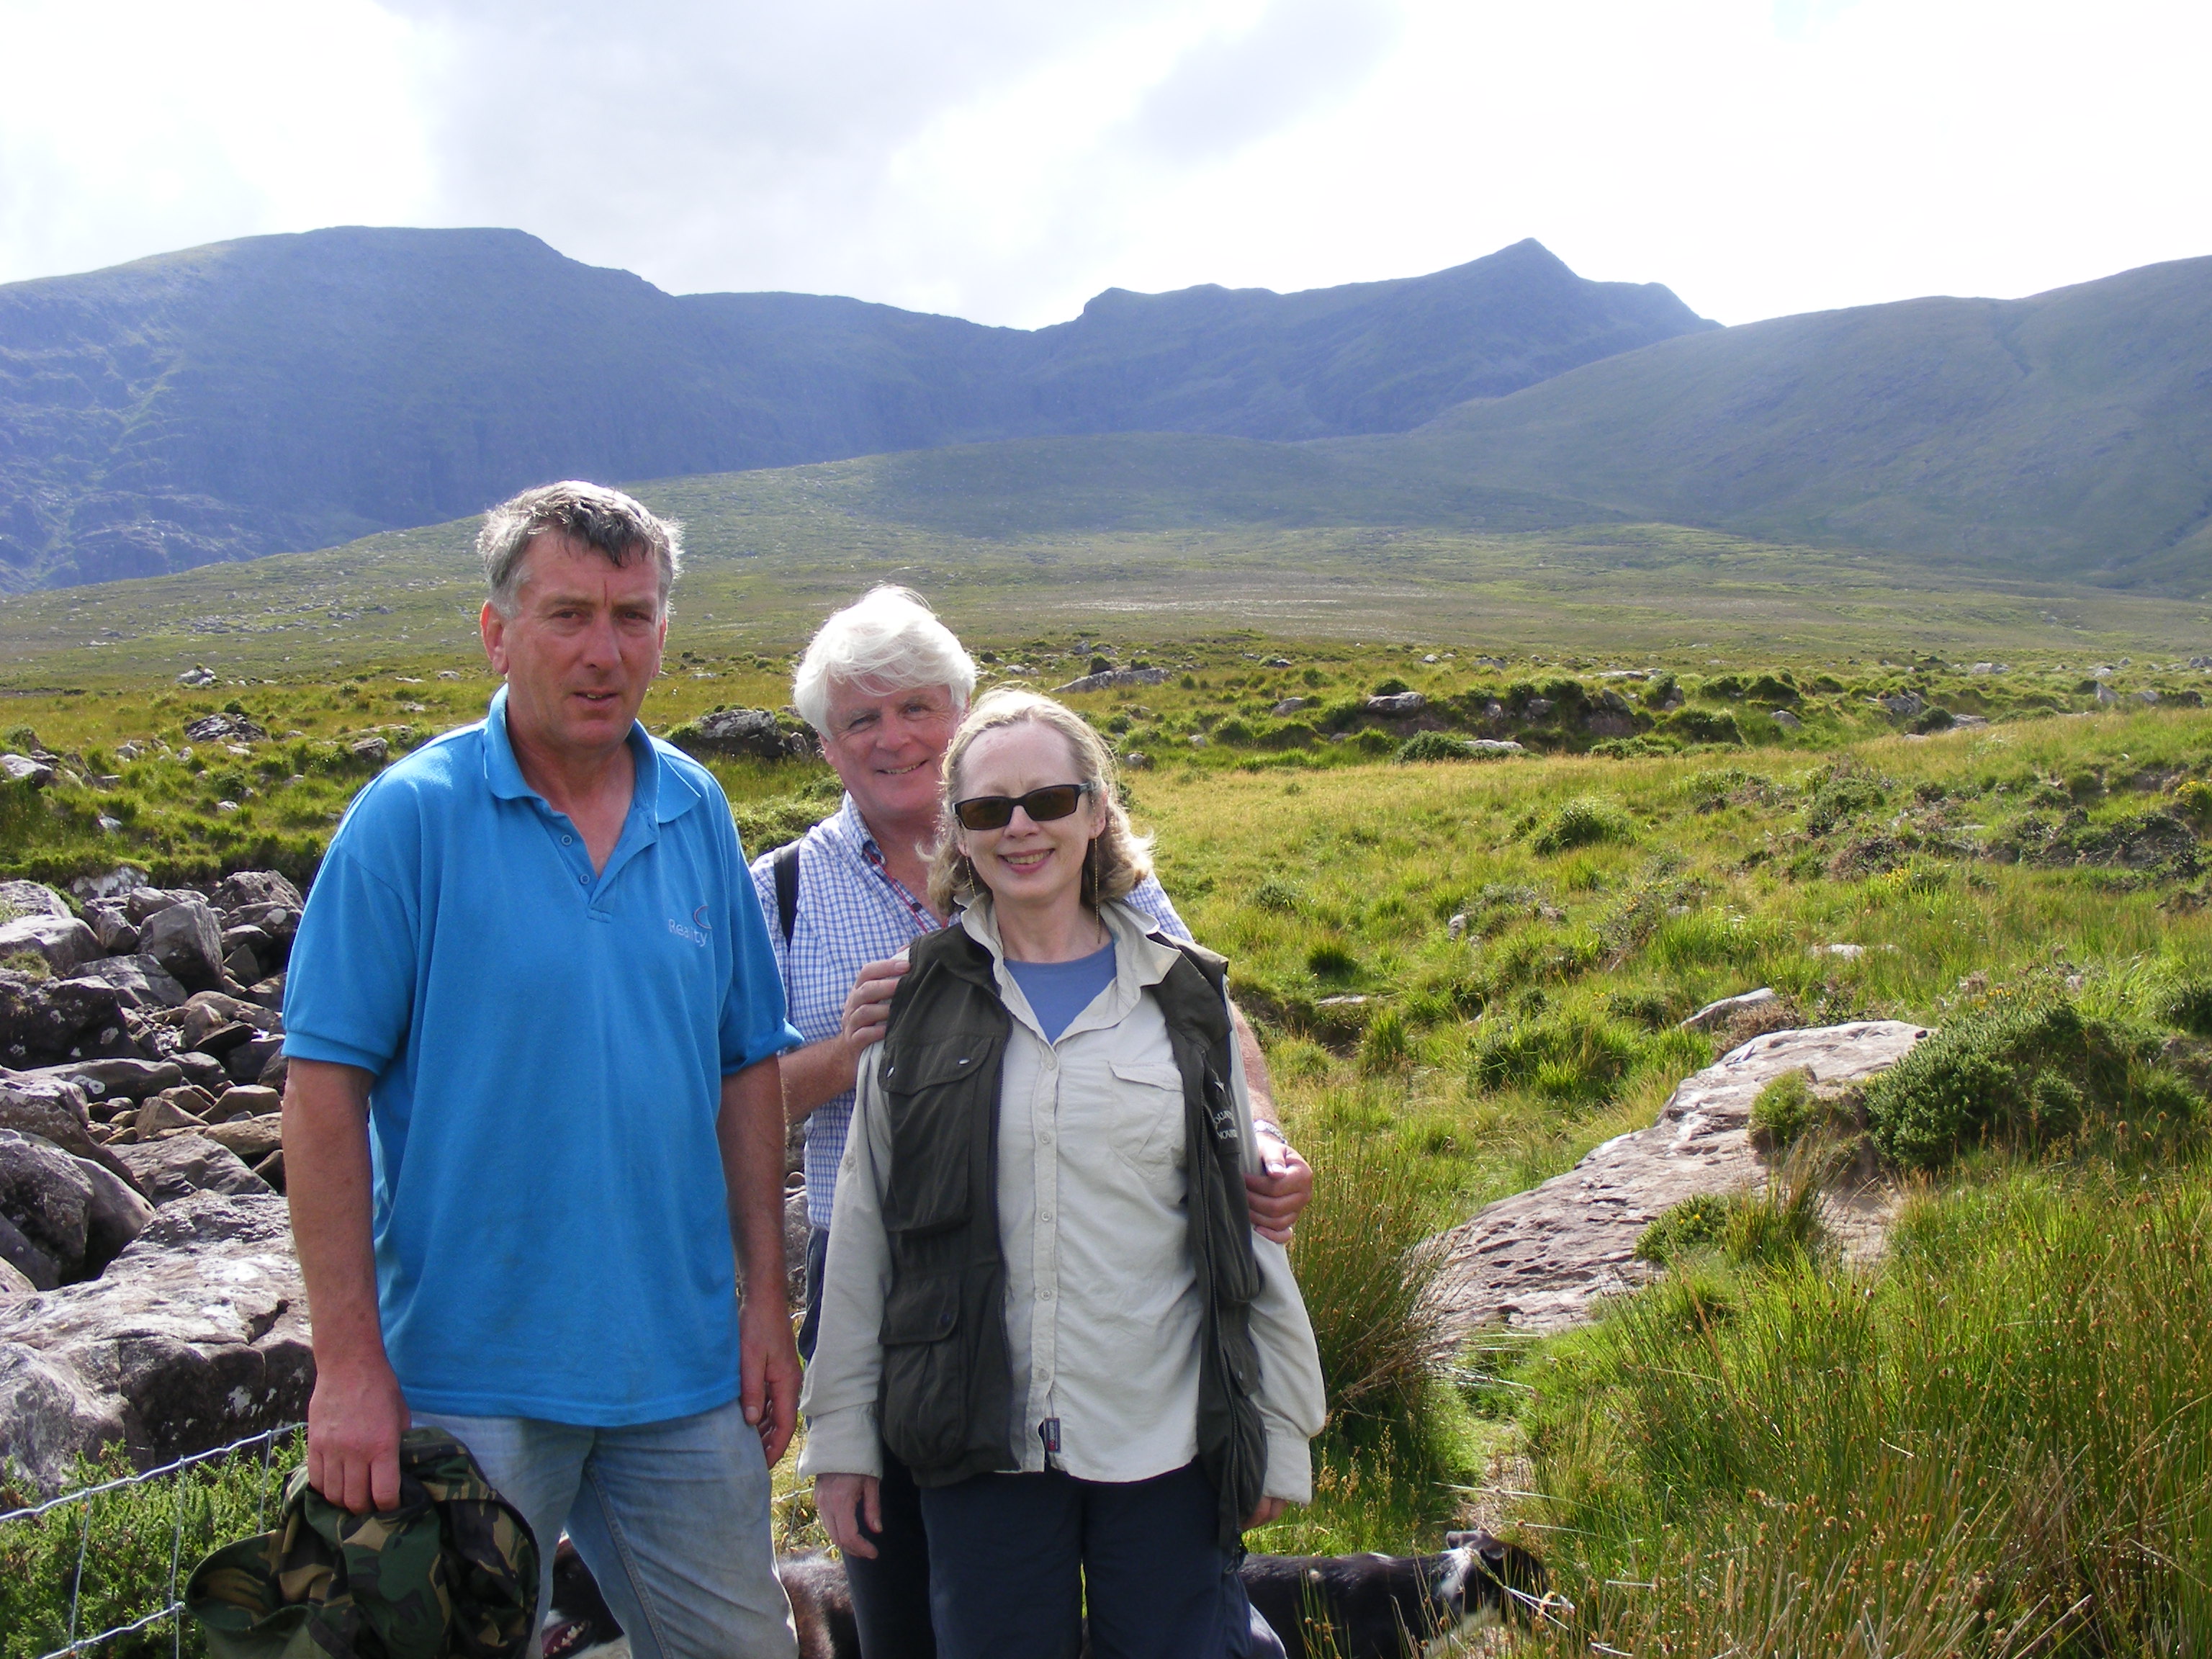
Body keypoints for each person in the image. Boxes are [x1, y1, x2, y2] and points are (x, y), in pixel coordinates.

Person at [282, 481, 804, 1659]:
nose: (602, 652)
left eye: (633, 617)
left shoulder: (697, 810)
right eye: (568, 615)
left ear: (664, 633)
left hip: (679, 1374)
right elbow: (320, 1096)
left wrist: (765, 1302)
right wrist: (349, 1364)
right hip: (470, 1385)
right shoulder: (408, 819)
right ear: (496, 630)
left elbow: (745, 1071)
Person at [752, 588, 1313, 1655]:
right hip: (892, 1295)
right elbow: (726, 1104)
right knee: (930, 1610)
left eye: (916, 707)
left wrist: (1266, 1141)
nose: (893, 737)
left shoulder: (1110, 892)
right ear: (826, 746)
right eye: (860, 719)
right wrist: (845, 1053)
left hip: (1120, 1308)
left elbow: (1212, 1030)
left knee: (1167, 1612)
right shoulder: (777, 893)